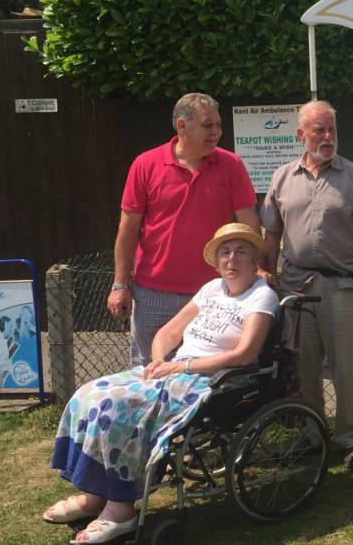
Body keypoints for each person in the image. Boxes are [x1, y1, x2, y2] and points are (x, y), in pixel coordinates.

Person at [44, 223, 279, 545]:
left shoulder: (261, 296)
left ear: (255, 261)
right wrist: (157, 361)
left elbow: (245, 353)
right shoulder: (210, 289)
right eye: (225, 252)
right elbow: (168, 334)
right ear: (216, 261)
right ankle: (94, 493)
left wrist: (179, 366)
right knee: (89, 395)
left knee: (121, 411)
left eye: (241, 252)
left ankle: (120, 507)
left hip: (212, 381)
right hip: (173, 370)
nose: (232, 259)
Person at [260, 100, 353, 471]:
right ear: (301, 135)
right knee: (306, 367)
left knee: (347, 369)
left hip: (342, 286)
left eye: (332, 130)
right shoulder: (282, 178)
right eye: (319, 131)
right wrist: (267, 275)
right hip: (296, 287)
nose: (328, 137)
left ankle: (352, 440)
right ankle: (315, 436)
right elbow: (271, 233)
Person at [106, 93, 260, 366]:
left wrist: (256, 271)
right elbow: (128, 231)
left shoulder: (231, 165)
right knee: (151, 370)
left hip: (215, 293)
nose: (216, 133)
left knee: (206, 372)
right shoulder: (146, 165)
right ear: (181, 126)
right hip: (154, 293)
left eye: (218, 125)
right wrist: (120, 285)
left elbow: (248, 225)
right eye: (207, 125)